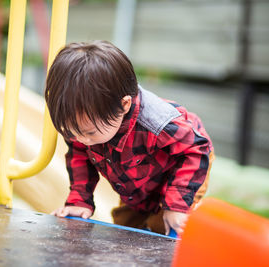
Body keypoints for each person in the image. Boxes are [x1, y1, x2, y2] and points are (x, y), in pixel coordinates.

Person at [45, 40, 214, 235]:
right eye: (72, 132)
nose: (81, 140)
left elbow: (195, 149)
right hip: (137, 179)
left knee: (168, 223)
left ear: (124, 105)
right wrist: (79, 201)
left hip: (184, 164)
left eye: (89, 132)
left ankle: (196, 230)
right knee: (125, 228)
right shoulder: (82, 124)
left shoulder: (158, 123)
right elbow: (80, 159)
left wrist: (176, 206)